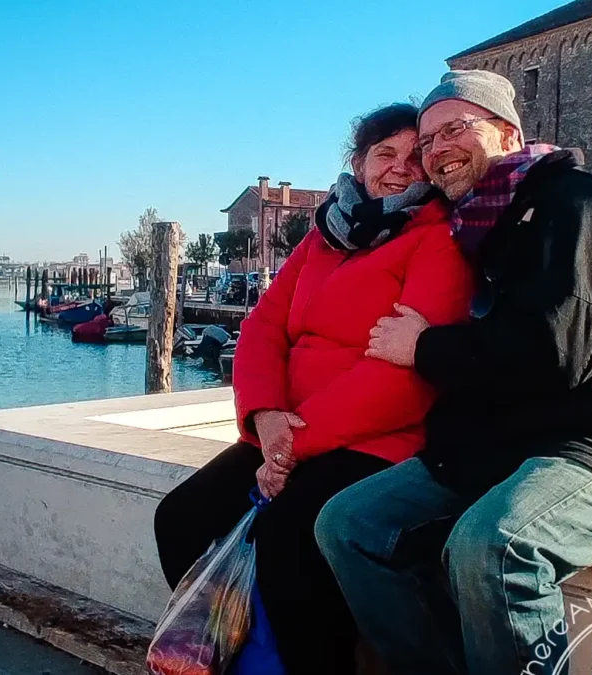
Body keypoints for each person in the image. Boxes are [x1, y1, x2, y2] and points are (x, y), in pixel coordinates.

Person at [315, 70, 592, 674]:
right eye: (428, 141)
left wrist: (425, 347)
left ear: (507, 132)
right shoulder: (480, 225)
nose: (437, 149)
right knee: (347, 523)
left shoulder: (574, 203)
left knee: (494, 546)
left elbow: (556, 353)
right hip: (519, 436)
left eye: (454, 129)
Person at [153, 102, 474, 675]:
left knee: (290, 539)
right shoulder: (325, 236)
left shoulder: (438, 240)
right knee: (180, 518)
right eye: (384, 154)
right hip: (285, 431)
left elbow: (402, 377)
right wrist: (265, 415)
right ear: (358, 162)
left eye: (413, 157)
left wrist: (292, 443)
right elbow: (262, 328)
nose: (400, 169)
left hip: (378, 438)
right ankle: (227, 654)